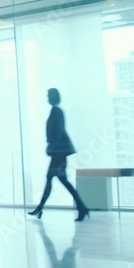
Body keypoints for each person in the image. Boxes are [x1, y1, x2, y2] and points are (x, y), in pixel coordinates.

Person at [28, 88, 90, 221]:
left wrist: (51, 146)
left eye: (48, 95)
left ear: (53, 97)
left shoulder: (56, 111)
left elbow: (58, 131)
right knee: (57, 179)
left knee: (55, 179)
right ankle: (81, 208)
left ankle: (41, 209)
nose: (47, 98)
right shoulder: (56, 110)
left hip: (59, 152)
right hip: (59, 152)